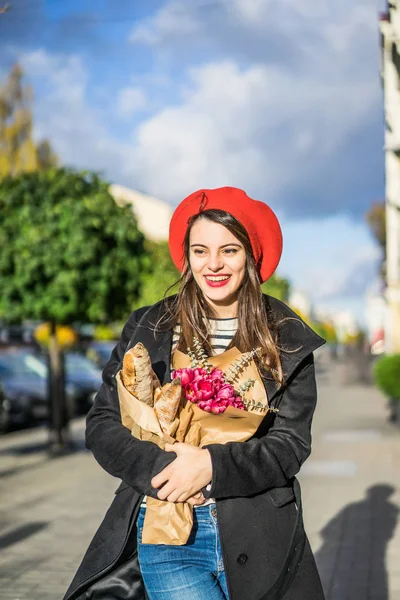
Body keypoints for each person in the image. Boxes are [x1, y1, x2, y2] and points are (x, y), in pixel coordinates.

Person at [63, 187, 326, 600]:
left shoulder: (287, 338)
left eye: (230, 250)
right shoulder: (150, 326)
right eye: (200, 251)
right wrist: (165, 468)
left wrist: (211, 465)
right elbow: (101, 424)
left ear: (251, 257)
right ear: (186, 257)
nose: (214, 265)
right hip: (167, 532)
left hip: (258, 536)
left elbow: (291, 444)